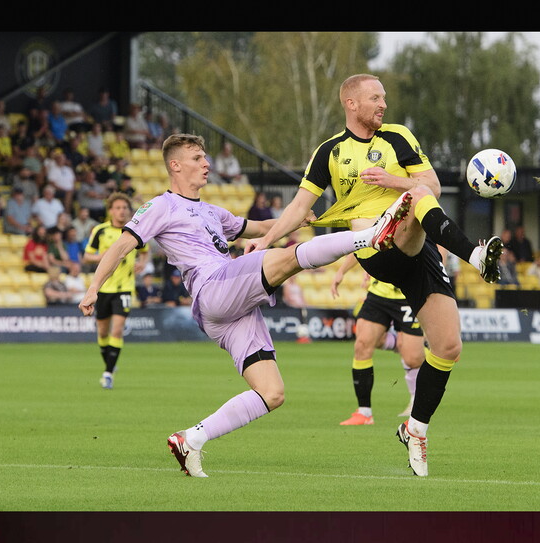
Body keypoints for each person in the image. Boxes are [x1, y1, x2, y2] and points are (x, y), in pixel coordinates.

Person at [78, 133, 409, 477]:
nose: (206, 163)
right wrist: (93, 288)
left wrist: (298, 219)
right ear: (174, 166)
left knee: (272, 392)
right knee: (284, 260)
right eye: (196, 158)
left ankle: (190, 439)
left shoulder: (211, 211)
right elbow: (121, 246)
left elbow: (259, 227)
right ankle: (371, 236)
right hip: (213, 288)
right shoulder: (161, 206)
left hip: (228, 311)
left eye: (205, 157)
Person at [242, 74, 506, 477]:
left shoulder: (398, 137)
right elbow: (298, 207)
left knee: (449, 347)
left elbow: (432, 184)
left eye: (384, 97)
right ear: (351, 103)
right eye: (374, 98)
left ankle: (415, 429)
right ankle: (472, 254)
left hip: (417, 249)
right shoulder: (330, 151)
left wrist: (392, 180)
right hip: (375, 250)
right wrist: (267, 241)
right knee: (412, 198)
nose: (383, 104)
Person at [331, 253, 425, 423]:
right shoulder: (377, 224)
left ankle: (415, 398)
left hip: (408, 295)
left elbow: (437, 249)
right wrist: (342, 271)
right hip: (379, 293)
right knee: (362, 344)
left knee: (413, 359)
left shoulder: (416, 226)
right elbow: (361, 245)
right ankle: (364, 413)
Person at [80, 192, 151, 390]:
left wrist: (142, 263)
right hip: (102, 289)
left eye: (124, 208)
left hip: (124, 289)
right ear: (110, 210)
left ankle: (108, 373)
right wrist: (101, 257)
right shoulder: (100, 231)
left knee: (117, 329)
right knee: (102, 331)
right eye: (117, 208)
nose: (121, 211)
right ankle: (109, 364)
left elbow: (145, 250)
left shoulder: (133, 231)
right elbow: (87, 256)